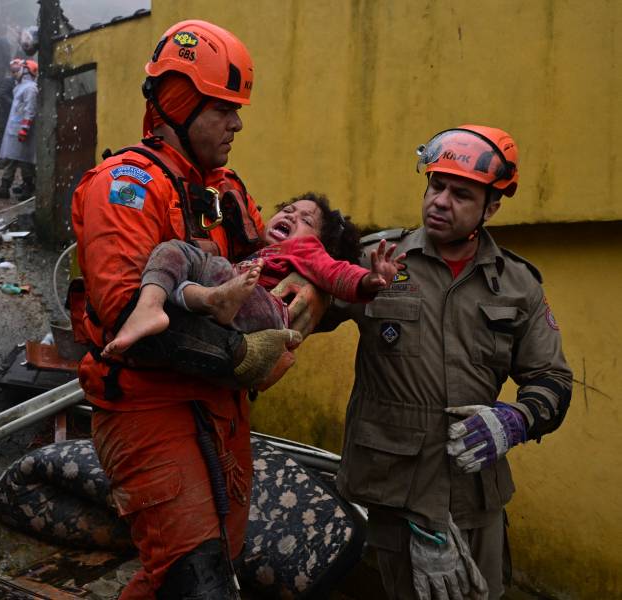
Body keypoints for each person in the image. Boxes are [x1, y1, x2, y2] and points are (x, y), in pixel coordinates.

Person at [71, 20, 311, 599]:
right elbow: (133, 320)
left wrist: (317, 282)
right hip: (150, 410)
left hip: (220, 409)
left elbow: (267, 271)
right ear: (178, 103)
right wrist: (245, 354)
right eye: (223, 108)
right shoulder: (124, 186)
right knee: (196, 582)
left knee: (203, 570)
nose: (238, 123)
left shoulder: (223, 190)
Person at [320, 125, 573, 599]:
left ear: (491, 208)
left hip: (476, 495)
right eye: (436, 186)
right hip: (397, 494)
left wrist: (515, 420)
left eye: (460, 194)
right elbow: (298, 314)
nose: (440, 201)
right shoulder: (377, 258)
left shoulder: (518, 285)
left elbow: (553, 380)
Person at [103, 192, 404, 356]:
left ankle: (209, 299)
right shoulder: (256, 253)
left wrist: (369, 281)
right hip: (229, 306)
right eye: (287, 209)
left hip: (267, 313)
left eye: (305, 219)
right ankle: (160, 306)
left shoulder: (306, 250)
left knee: (199, 265)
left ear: (320, 242)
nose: (290, 215)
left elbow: (338, 274)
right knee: (175, 258)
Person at [0, 59, 38, 200]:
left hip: (23, 131)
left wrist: (24, 128)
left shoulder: (30, 88)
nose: (14, 72)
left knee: (25, 161)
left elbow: (30, 110)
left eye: (17, 69)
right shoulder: (20, 87)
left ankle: (27, 188)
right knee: (12, 158)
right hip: (15, 129)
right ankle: (5, 188)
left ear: (26, 70)